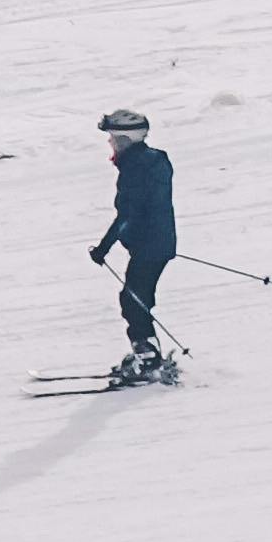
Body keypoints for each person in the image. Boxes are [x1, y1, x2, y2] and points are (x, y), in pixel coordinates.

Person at [92, 113, 178, 383]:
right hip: (156, 243)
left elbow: (128, 213)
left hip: (151, 245)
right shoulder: (149, 162)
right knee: (135, 298)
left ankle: (148, 357)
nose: (110, 144)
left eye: (114, 139)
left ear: (126, 140)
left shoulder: (136, 168)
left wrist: (103, 248)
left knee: (134, 300)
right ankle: (146, 351)